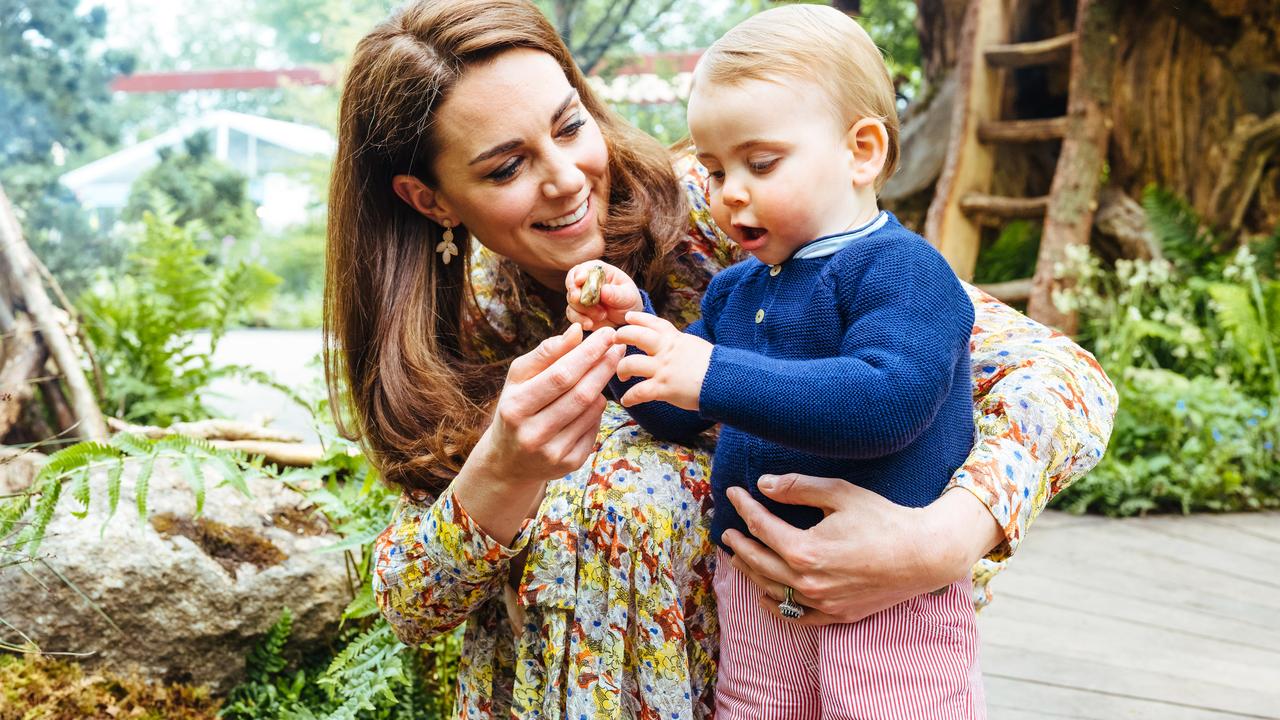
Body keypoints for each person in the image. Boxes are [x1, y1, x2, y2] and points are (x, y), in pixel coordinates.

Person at [325, 1, 1117, 718]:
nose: (567, 180)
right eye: (506, 167)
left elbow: (1063, 379)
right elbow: (411, 604)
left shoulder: (737, 212)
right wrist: (502, 469)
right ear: (428, 199)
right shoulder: (449, 335)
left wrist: (944, 539)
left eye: (570, 127)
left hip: (825, 655)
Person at [564, 6, 984, 717]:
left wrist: (712, 373)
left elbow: (890, 399)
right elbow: (673, 408)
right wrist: (624, 338)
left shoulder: (904, 271)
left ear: (862, 151)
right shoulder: (736, 291)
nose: (730, 192)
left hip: (888, 592)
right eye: (716, 167)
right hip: (757, 583)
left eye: (760, 163)